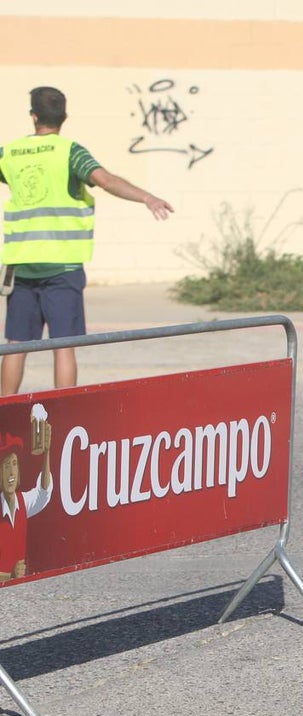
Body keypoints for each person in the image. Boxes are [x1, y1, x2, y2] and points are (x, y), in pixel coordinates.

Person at [0, 86, 173, 395]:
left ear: (33, 116)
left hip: (21, 263)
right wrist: (147, 197)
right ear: (64, 116)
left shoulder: (10, 153)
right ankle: (65, 410)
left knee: (16, 344)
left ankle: (5, 410)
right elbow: (105, 180)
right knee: (64, 345)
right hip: (62, 265)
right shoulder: (70, 152)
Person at [0, 411, 53, 582]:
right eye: (6, 466)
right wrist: (10, 576)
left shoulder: (22, 502)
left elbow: (43, 493)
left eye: (14, 464)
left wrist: (46, 454)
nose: (11, 472)